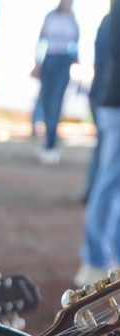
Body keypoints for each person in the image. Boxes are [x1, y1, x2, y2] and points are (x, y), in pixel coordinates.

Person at [77, 1, 120, 288]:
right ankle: (94, 261)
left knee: (111, 185)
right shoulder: (114, 16)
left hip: (112, 105)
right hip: (116, 106)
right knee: (108, 184)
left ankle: (107, 258)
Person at [33, 0, 80, 165]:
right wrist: (37, 63)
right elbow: (41, 41)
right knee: (46, 102)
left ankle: (51, 144)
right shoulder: (51, 17)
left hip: (63, 63)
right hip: (49, 60)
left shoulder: (72, 19)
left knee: (56, 103)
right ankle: (48, 139)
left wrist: (76, 66)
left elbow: (75, 44)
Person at [82, 12, 113, 204]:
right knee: (108, 157)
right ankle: (94, 194)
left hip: (102, 94)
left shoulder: (108, 20)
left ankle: (91, 191)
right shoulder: (111, 21)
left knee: (103, 150)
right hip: (107, 96)